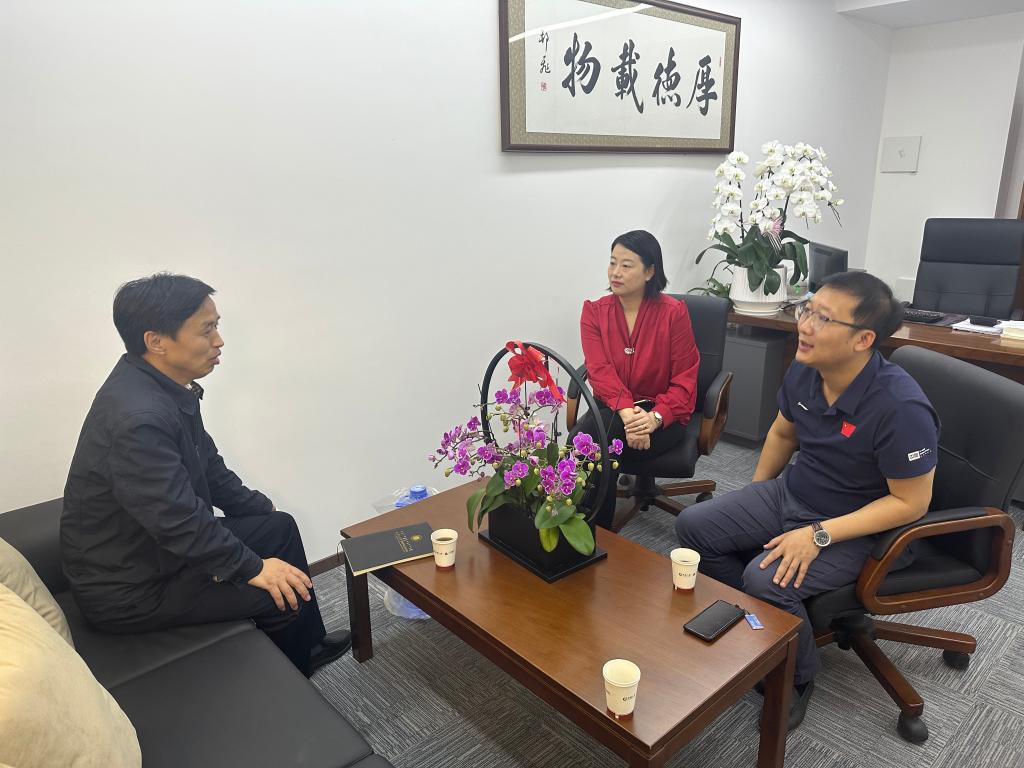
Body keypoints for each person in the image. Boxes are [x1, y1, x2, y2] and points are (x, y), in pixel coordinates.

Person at [676, 271, 939, 730]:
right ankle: (763, 626)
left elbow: (910, 503)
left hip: (864, 528)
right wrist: (756, 492)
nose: (805, 325)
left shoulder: (901, 407)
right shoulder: (806, 367)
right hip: (794, 493)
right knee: (694, 527)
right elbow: (783, 433)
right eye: (807, 310)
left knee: (765, 580)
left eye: (823, 318)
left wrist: (817, 535)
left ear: (863, 339)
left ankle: (795, 674)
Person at [61, 273, 350, 677]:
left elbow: (207, 464)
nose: (219, 341)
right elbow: (178, 521)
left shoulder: (164, 385)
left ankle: (309, 645)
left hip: (156, 553)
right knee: (277, 596)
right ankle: (290, 684)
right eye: (207, 330)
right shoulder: (137, 418)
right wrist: (253, 568)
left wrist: (256, 506)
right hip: (130, 588)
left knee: (278, 527)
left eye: (217, 326)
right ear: (156, 341)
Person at [575, 230, 700, 529]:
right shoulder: (594, 312)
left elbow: (686, 380)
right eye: (612, 262)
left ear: (649, 271)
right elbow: (599, 371)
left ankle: (592, 534)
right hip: (614, 410)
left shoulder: (673, 314)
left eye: (626, 265)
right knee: (594, 438)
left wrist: (654, 418)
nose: (615, 272)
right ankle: (589, 532)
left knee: (591, 439)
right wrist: (630, 415)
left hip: (664, 416)